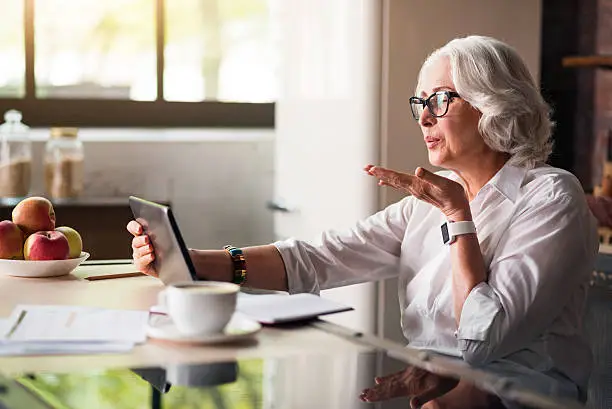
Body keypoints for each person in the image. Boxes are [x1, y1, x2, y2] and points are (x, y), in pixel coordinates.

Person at [128, 35, 598, 408]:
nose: (423, 118)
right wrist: (189, 263)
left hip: (519, 399)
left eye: (438, 100)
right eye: (419, 104)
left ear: (493, 103)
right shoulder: (429, 198)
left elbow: (481, 340)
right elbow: (318, 259)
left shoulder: (552, 197)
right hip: (432, 386)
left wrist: (460, 219)